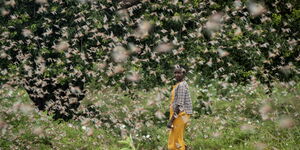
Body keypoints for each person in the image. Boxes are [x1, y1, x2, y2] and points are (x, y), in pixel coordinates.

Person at [167, 66, 193, 150]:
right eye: (175, 73)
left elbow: (179, 104)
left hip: (181, 115)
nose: (177, 75)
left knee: (176, 139)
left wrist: (171, 121)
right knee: (178, 136)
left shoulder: (181, 85)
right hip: (182, 115)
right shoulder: (179, 84)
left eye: (179, 73)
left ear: (183, 74)